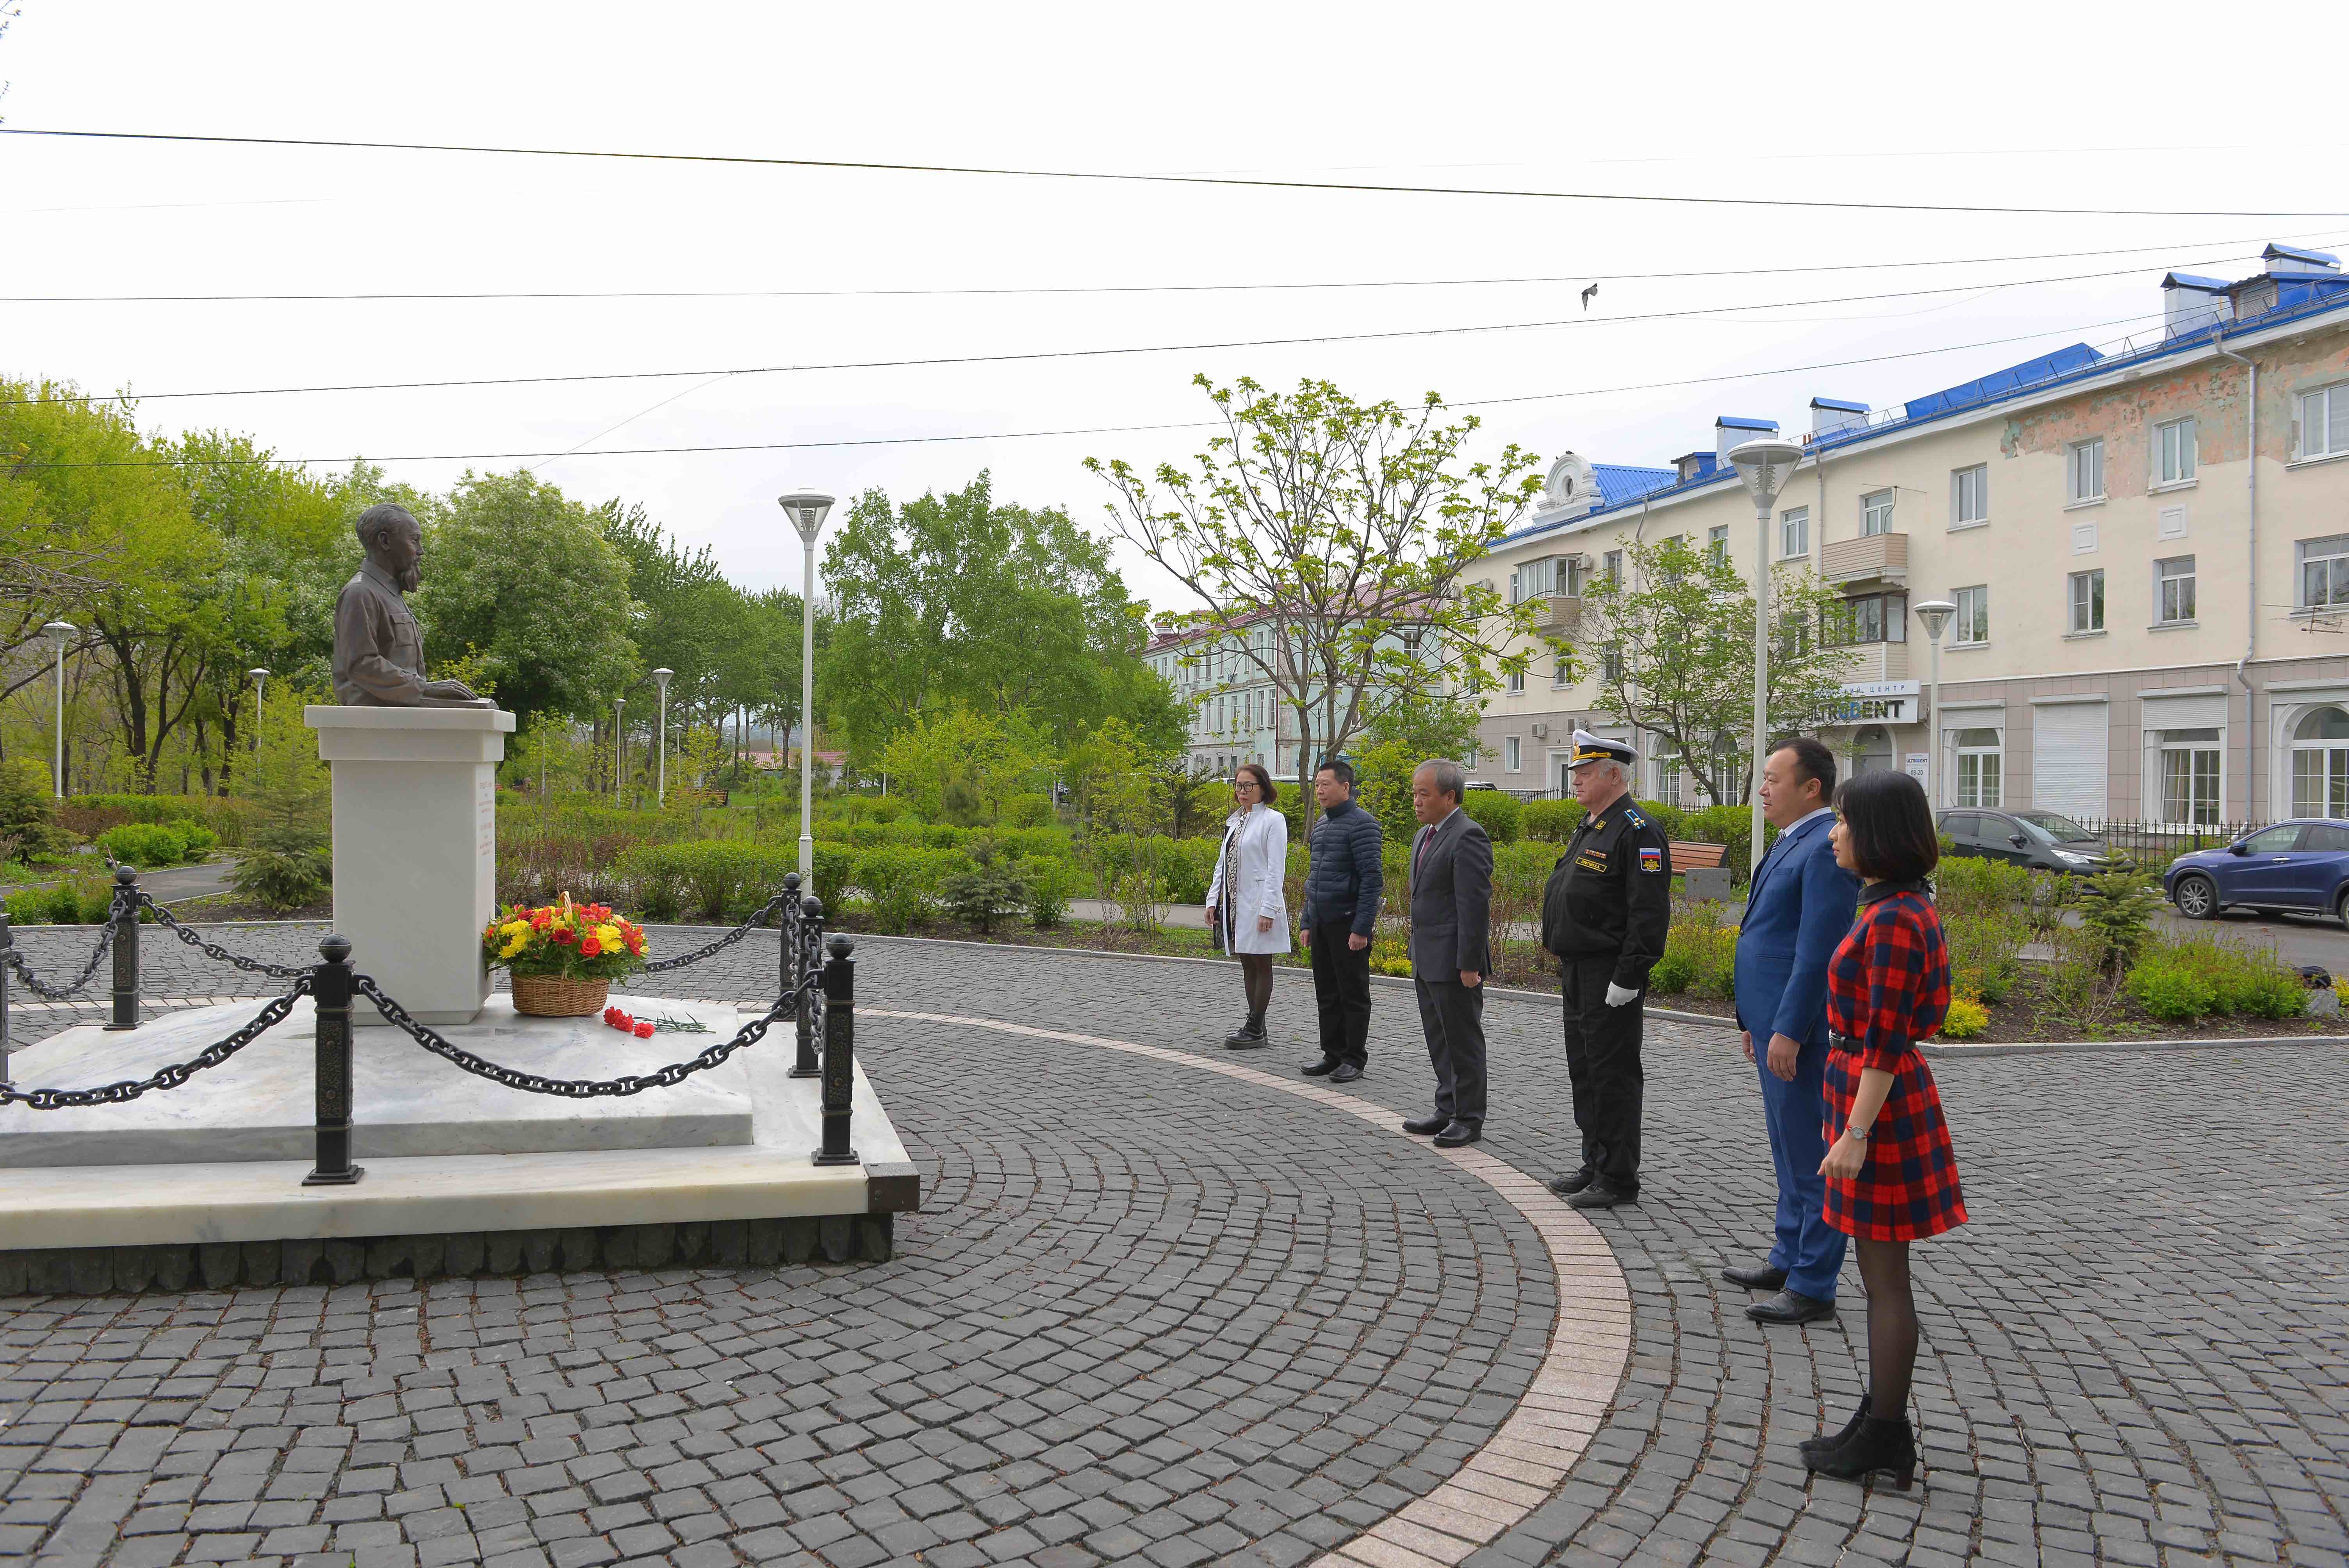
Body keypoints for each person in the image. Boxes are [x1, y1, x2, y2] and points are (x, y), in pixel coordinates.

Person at [1805, 768, 1967, 1490]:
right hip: (1867, 1097)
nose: (1834, 832)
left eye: (1843, 820)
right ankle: (1879, 1418)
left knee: (1884, 1283)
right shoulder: (1889, 906)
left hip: (1884, 1105)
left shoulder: (1898, 917)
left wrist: (1856, 1132)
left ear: (1876, 833)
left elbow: (1888, 1037)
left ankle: (1886, 1434)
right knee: (1878, 1278)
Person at [1727, 737, 1862, 1327]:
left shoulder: (1824, 848)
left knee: (1810, 1155)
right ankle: (1788, 1256)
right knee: (1787, 1149)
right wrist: (1752, 1021)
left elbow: (1815, 953)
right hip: (1771, 1022)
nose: (1762, 788)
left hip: (1800, 1031)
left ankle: (1814, 1283)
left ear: (1812, 788)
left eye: (1773, 778)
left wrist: (1787, 1028)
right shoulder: (1795, 840)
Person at [1537, 732, 1670, 1210]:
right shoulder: (1593, 824)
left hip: (1608, 973)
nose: (1574, 780)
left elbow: (1648, 913)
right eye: (1574, 772)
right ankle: (1594, 1161)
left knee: (1611, 1074)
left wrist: (1630, 975)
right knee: (1585, 1071)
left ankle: (1617, 1176)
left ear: (1613, 774)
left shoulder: (1637, 829)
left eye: (1584, 772)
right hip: (1577, 969)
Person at [1401, 760, 1490, 1146]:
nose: (1417, 801)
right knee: (1438, 1039)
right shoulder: (1425, 834)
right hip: (1427, 955)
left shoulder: (1468, 835)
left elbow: (1473, 905)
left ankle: (1468, 1117)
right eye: (1415, 792)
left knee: (1462, 1041)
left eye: (1425, 793)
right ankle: (1446, 1108)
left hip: (1454, 961)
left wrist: (1469, 963)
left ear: (1449, 796)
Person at [1297, 759, 1383, 1082]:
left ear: (1345, 787)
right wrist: (1308, 920)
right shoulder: (1322, 824)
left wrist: (1361, 927)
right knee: (1327, 993)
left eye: (1326, 785)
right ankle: (1332, 1053)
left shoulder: (1363, 825)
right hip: (1322, 922)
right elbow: (1315, 877)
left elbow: (1372, 880)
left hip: (1348, 925)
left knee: (1353, 994)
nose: (1319, 790)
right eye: (1317, 784)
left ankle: (1354, 1058)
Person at [1203, 762, 1292, 1048]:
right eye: (1238, 786)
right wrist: (1212, 901)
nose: (1242, 791)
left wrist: (1268, 909)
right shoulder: (1235, 821)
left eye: (1248, 786)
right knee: (1246, 962)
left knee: (1261, 961)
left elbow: (1276, 869)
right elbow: (1223, 864)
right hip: (1235, 905)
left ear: (1262, 788)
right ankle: (1257, 1024)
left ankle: (1255, 1025)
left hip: (1259, 904)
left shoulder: (1273, 821)